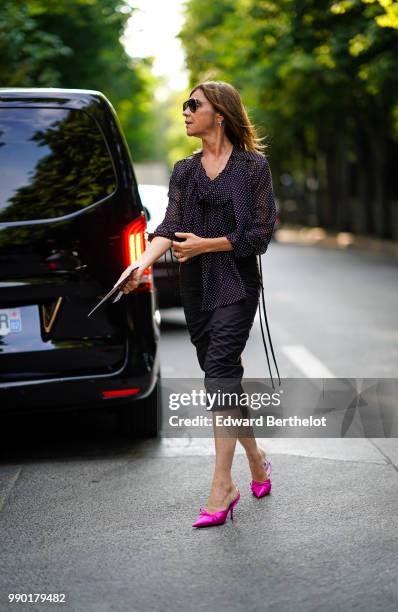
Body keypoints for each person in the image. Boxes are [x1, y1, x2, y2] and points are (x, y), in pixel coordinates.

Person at [115, 80, 280, 529]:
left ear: (219, 114)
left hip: (236, 284)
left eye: (194, 105)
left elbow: (259, 234)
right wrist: (140, 265)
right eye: (185, 105)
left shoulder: (252, 168)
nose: (185, 111)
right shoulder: (184, 170)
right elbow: (170, 224)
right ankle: (257, 458)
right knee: (220, 377)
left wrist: (206, 245)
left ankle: (222, 485)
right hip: (195, 288)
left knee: (221, 369)